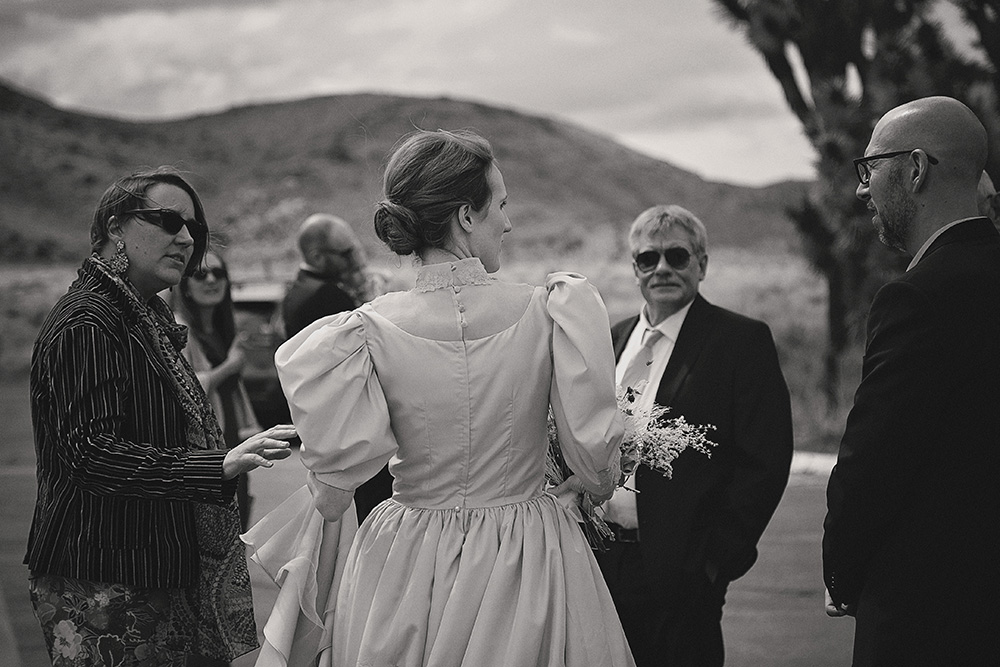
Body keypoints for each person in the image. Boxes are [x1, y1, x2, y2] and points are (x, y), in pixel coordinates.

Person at [244, 129, 635, 667]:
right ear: (467, 217)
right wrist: (577, 480)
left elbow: (334, 493)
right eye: (501, 204)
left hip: (403, 563)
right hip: (527, 554)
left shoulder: (362, 331)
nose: (509, 221)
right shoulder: (551, 311)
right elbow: (597, 470)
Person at [25, 167, 296, 666]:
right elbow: (89, 454)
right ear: (114, 227)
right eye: (169, 220)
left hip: (148, 566)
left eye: (194, 228)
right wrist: (215, 467)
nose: (187, 239)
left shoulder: (143, 320)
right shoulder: (90, 322)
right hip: (105, 573)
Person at [824, 96, 1000, 666]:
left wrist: (842, 572)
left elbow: (875, 459)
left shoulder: (919, 298)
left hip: (932, 611)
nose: (861, 189)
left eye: (870, 168)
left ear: (916, 169)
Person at [595, 204, 793, 667]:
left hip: (682, 575)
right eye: (649, 258)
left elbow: (765, 460)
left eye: (677, 256)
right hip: (601, 566)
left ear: (702, 264)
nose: (662, 268)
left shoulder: (741, 342)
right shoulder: (610, 340)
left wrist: (713, 562)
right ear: (635, 269)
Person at [281, 212, 393, 522]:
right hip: (353, 434)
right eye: (346, 253)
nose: (355, 260)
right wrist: (373, 299)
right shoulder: (327, 296)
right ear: (317, 256)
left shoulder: (298, 289)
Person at [174, 248, 261, 532]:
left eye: (219, 273)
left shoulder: (222, 331)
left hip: (232, 443)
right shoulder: (179, 329)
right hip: (205, 456)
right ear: (184, 284)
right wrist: (229, 366)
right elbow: (183, 390)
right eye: (200, 274)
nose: (211, 280)